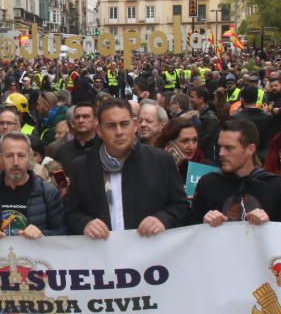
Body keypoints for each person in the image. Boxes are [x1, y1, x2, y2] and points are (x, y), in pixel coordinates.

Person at [65, 99, 189, 240]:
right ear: (99, 130)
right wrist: (84, 224)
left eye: (124, 124)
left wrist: (162, 219)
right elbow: (71, 213)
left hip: (149, 252)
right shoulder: (81, 167)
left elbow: (181, 206)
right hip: (102, 254)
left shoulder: (161, 161)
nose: (119, 132)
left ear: (135, 125)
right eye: (111, 126)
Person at [191, 119, 281, 227]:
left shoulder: (274, 184)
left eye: (229, 148)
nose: (221, 153)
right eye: (220, 147)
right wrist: (204, 222)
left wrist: (269, 224)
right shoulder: (208, 183)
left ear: (250, 149)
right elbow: (189, 230)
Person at [0, 131, 67, 239]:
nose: (15, 162)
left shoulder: (48, 192)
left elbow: (62, 232)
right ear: (0, 159)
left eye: (21, 155)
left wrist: (42, 234)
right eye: (9, 156)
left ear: (30, 157)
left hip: (35, 255)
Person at [50, 102, 100, 174]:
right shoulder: (62, 151)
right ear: (73, 123)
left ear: (96, 121)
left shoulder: (105, 148)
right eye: (77, 117)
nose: (81, 120)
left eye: (85, 116)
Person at [154, 117, 203, 183]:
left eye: (195, 140)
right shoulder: (155, 166)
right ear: (170, 144)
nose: (191, 147)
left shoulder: (205, 167)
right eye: (185, 141)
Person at [231, 86, 272, 158]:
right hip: (262, 155)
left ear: (242, 99)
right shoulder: (268, 117)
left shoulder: (235, 117)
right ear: (257, 98)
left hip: (242, 155)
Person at [189, 86, 219, 161]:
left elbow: (203, 140)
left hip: (205, 157)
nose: (190, 99)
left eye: (192, 97)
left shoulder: (210, 118)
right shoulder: (194, 113)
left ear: (201, 99)